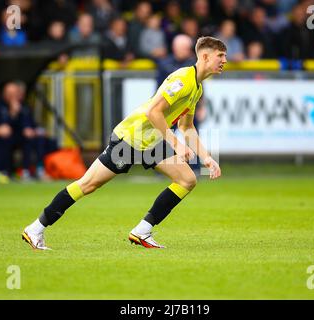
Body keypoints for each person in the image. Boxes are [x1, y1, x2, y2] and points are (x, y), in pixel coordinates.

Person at [22, 36, 226, 250]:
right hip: (130, 138)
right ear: (204, 56)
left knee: (187, 179)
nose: (224, 60)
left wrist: (207, 158)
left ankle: (142, 231)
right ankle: (35, 228)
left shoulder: (197, 88)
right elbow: (153, 112)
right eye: (220, 55)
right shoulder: (183, 79)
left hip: (152, 142)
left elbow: (187, 126)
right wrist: (176, 144)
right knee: (88, 184)